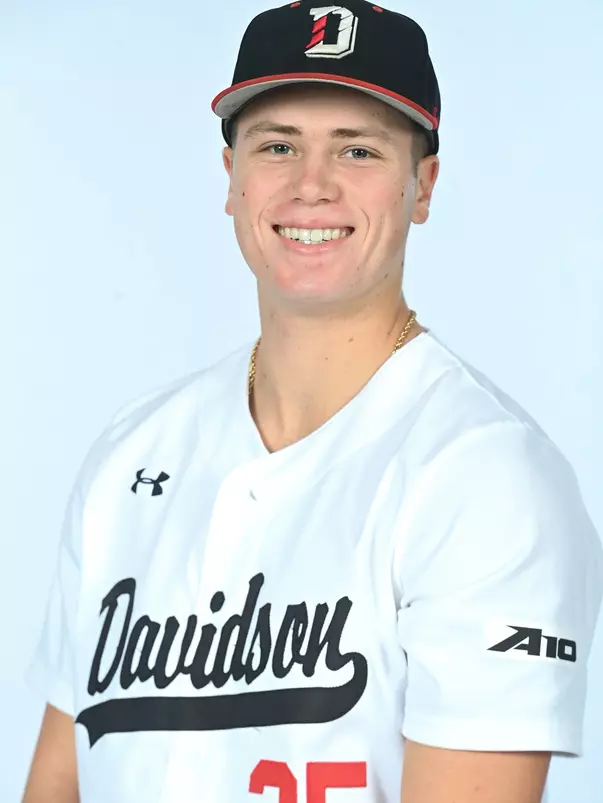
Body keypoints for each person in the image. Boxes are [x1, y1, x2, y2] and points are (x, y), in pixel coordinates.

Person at [22, 1, 603, 802]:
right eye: (277, 144)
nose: (311, 185)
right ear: (231, 178)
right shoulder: (130, 454)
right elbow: (58, 778)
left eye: (357, 149)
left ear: (421, 186)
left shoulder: (485, 474)